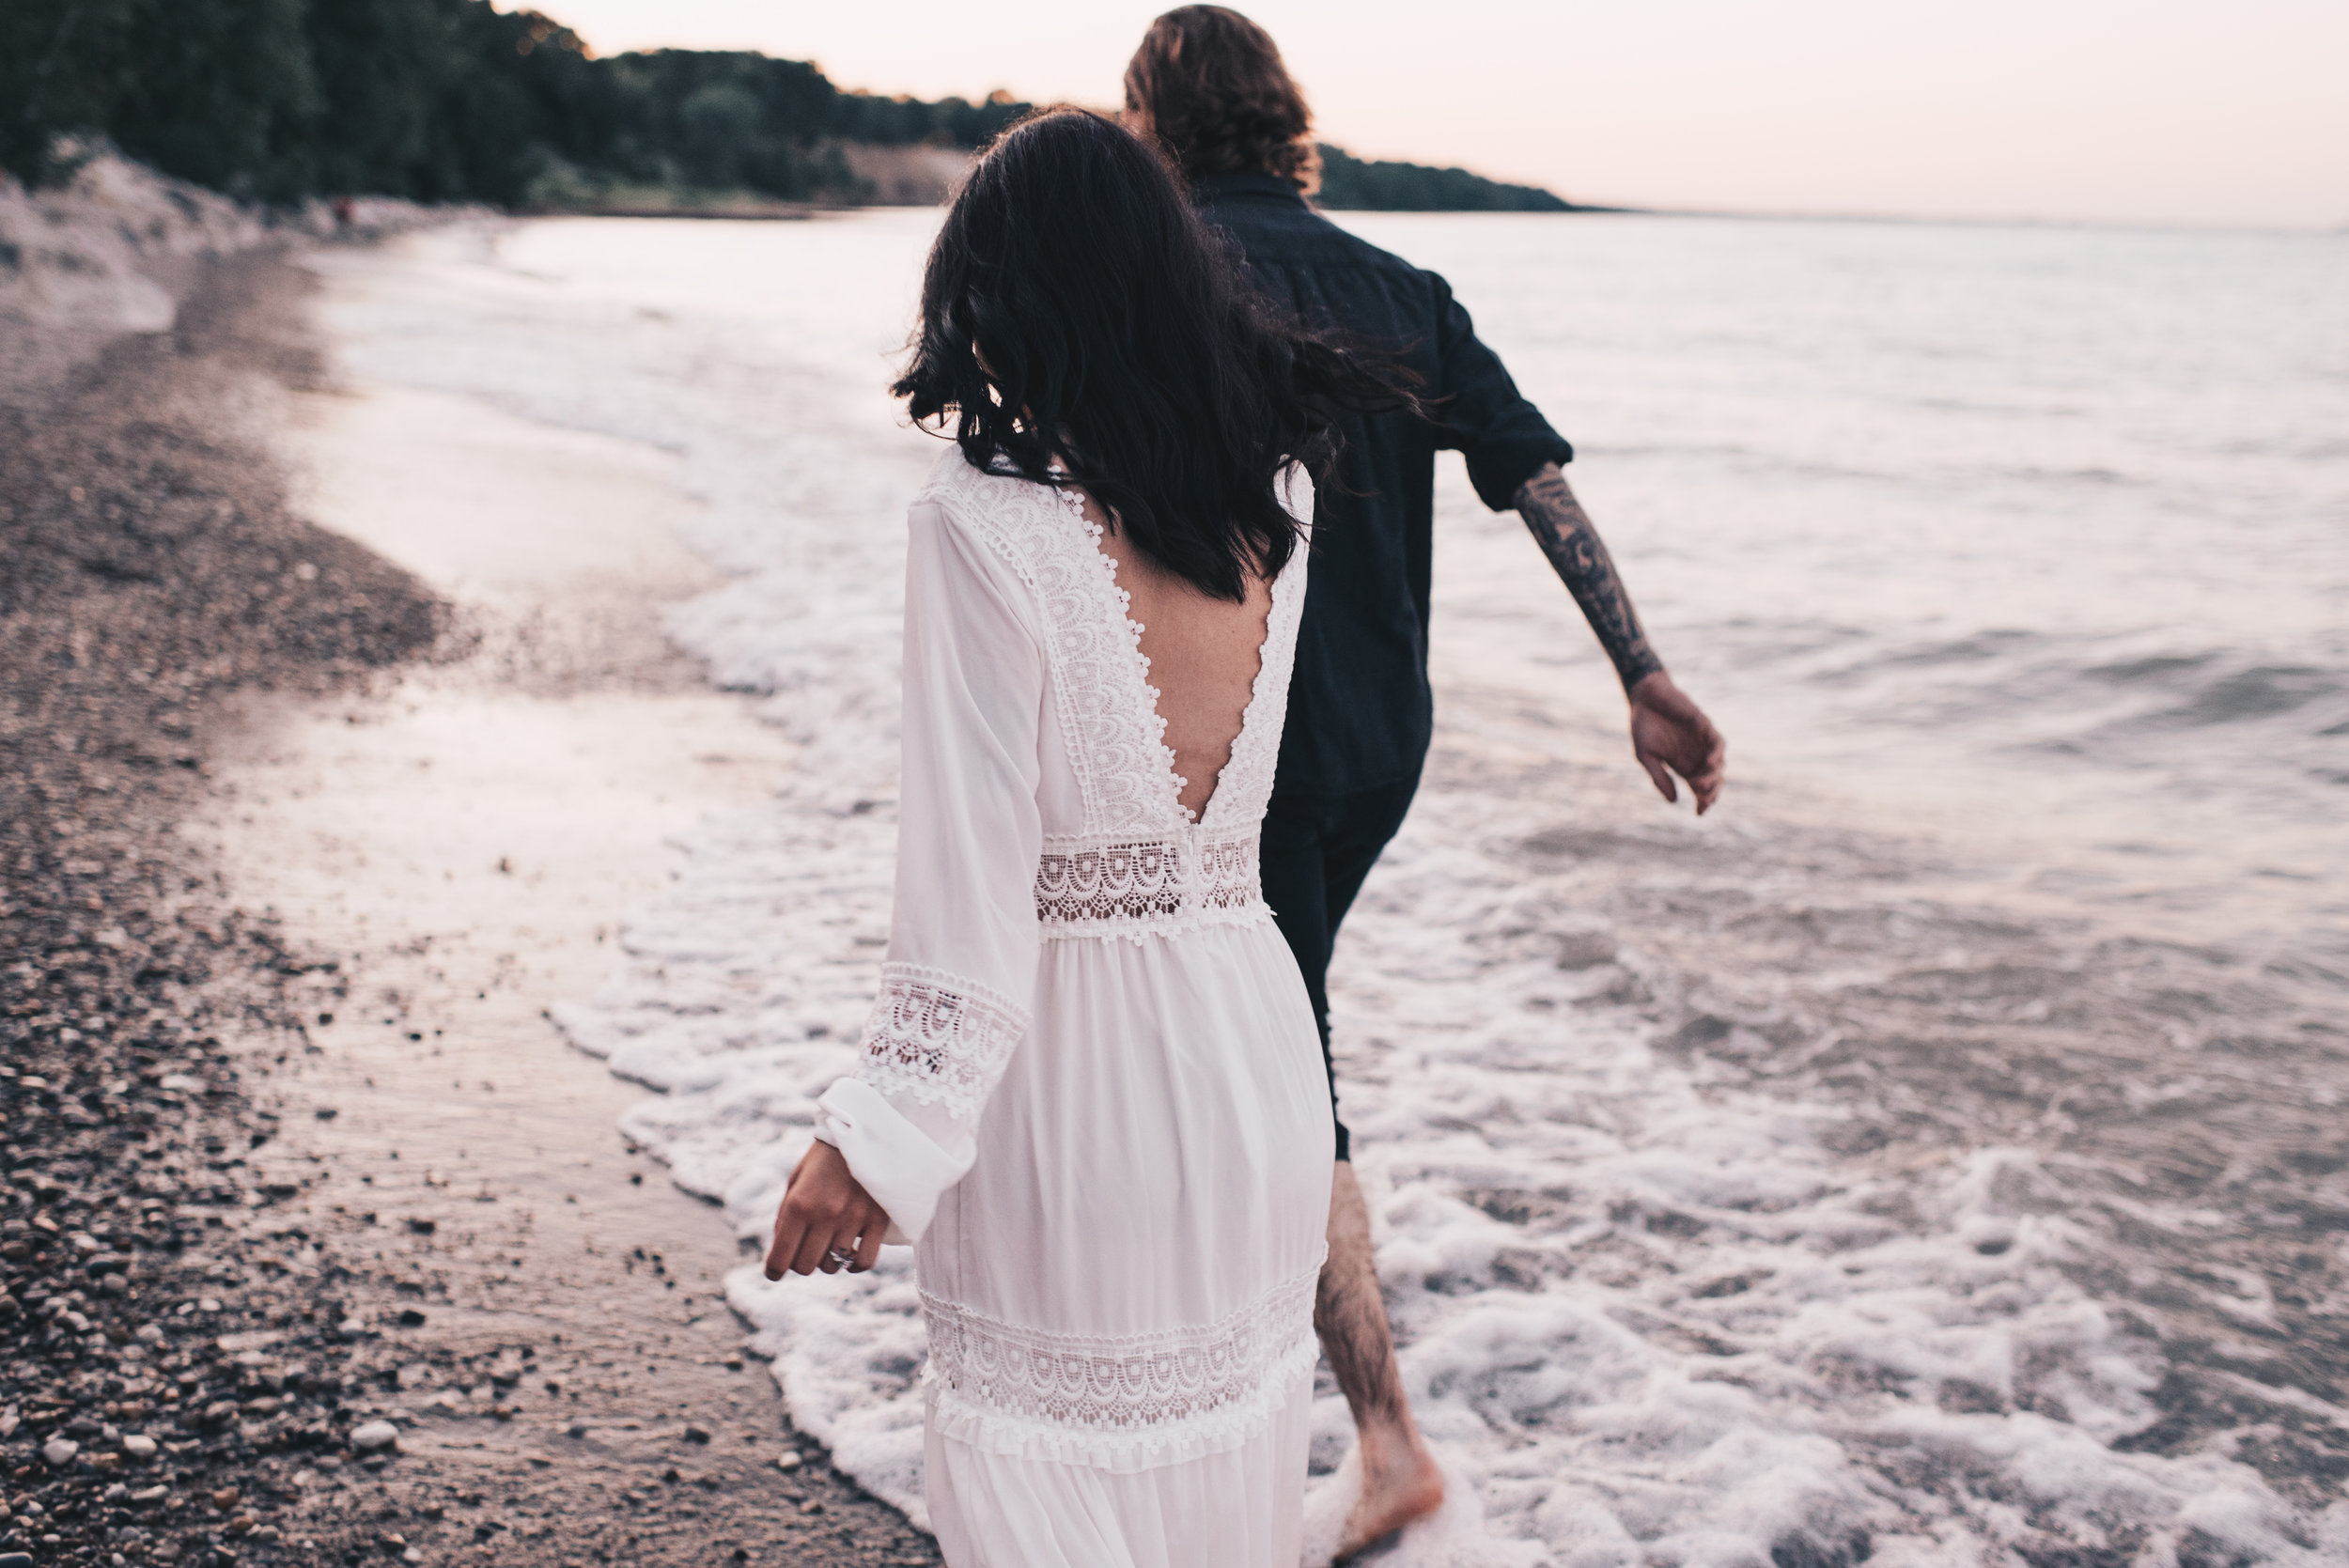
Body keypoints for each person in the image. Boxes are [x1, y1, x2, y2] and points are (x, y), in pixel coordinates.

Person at [764, 108, 1411, 1565]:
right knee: (1225, 1497)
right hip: (1256, 1059)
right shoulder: (1276, 501)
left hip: (1077, 1092)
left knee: (1050, 1506)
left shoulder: (980, 526)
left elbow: (974, 892)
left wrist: (871, 1132)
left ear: (1013, 294)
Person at [1122, 7, 1728, 1557]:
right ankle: (1245, 1400)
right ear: (1284, 119)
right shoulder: (1403, 290)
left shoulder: (1152, 278)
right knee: (1263, 1033)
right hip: (1383, 737)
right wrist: (1639, 670)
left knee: (1269, 1054)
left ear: (1150, 122)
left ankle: (1378, 1436)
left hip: (1223, 741)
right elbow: (1535, 479)